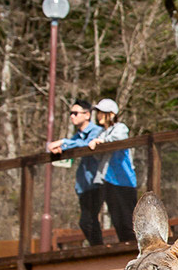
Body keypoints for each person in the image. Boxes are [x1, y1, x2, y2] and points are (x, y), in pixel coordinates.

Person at [46, 99, 105, 245]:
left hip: (98, 183)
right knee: (87, 221)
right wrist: (59, 148)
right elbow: (74, 144)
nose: (72, 116)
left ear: (87, 115)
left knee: (89, 220)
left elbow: (86, 145)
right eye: (71, 113)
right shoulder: (77, 136)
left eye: (75, 113)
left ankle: (99, 249)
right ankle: (97, 249)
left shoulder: (97, 131)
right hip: (85, 186)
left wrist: (63, 142)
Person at [86, 98, 140, 244]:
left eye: (102, 112)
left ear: (111, 114)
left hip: (123, 180)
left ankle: (134, 246)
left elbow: (119, 138)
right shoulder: (102, 133)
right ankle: (125, 245)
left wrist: (101, 142)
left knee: (128, 218)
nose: (98, 115)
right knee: (117, 217)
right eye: (98, 112)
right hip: (107, 179)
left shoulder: (120, 128)